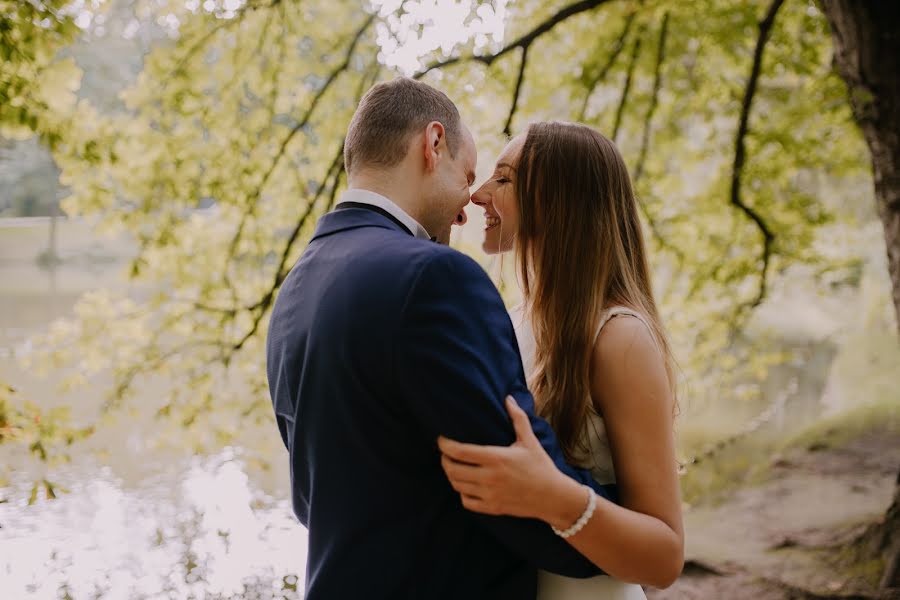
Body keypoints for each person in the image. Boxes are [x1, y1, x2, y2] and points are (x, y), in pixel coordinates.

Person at [266, 80, 617, 599]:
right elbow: (513, 483)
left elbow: (308, 499)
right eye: (469, 177)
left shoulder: (297, 287)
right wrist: (620, 522)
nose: (466, 208)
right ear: (433, 144)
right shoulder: (436, 277)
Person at [441, 122, 684, 598]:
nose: (478, 195)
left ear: (559, 202)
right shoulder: (509, 323)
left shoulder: (618, 338)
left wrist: (554, 496)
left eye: (504, 180)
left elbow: (664, 557)